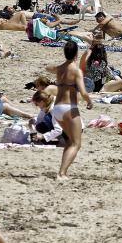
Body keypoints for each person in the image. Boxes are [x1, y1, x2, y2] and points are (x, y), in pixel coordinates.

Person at [46, 40, 93, 179]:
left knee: (70, 141)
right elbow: (83, 92)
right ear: (76, 54)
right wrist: (89, 102)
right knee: (76, 144)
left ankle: (63, 172)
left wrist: (52, 68)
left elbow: (49, 68)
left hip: (57, 108)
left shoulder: (59, 68)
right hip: (69, 108)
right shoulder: (76, 70)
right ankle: (61, 173)